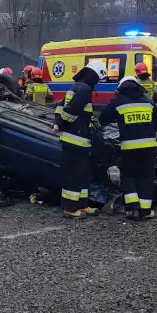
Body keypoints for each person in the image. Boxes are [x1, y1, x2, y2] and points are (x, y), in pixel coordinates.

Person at [52, 60, 107, 219]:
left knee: (83, 173)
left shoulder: (76, 86)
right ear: (93, 76)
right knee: (74, 174)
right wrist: (61, 123)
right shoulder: (84, 89)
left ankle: (82, 205)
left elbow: (60, 106)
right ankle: (69, 208)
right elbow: (71, 111)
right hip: (76, 139)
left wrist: (57, 122)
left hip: (78, 140)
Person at [99, 76, 157, 220]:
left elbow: (102, 120)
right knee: (146, 176)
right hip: (149, 146)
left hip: (130, 148)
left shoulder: (118, 101)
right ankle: (145, 211)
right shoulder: (148, 101)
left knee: (128, 175)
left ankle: (133, 209)